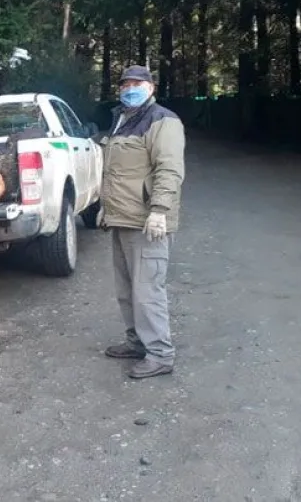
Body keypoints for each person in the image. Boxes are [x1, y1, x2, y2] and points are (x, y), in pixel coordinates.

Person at [97, 65, 186, 379]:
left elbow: (169, 169)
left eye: (137, 83)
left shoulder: (163, 120)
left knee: (147, 291)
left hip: (148, 220)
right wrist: (104, 208)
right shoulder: (122, 119)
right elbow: (115, 171)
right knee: (127, 289)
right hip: (121, 218)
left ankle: (160, 353)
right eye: (125, 84)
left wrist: (160, 209)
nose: (129, 88)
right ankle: (137, 341)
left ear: (152, 87)